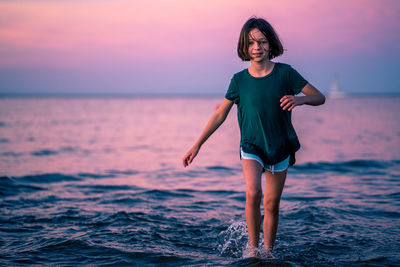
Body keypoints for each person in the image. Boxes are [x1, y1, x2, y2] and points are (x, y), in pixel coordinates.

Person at [182, 17, 325, 258]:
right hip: (251, 146)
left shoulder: (286, 73)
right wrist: (197, 145)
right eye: (251, 43)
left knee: (271, 205)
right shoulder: (239, 80)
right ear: (244, 47)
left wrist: (299, 99)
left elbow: (319, 96)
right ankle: (253, 251)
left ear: (271, 44)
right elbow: (220, 115)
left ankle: (267, 254)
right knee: (253, 193)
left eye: (262, 42)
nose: (256, 48)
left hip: (280, 147)